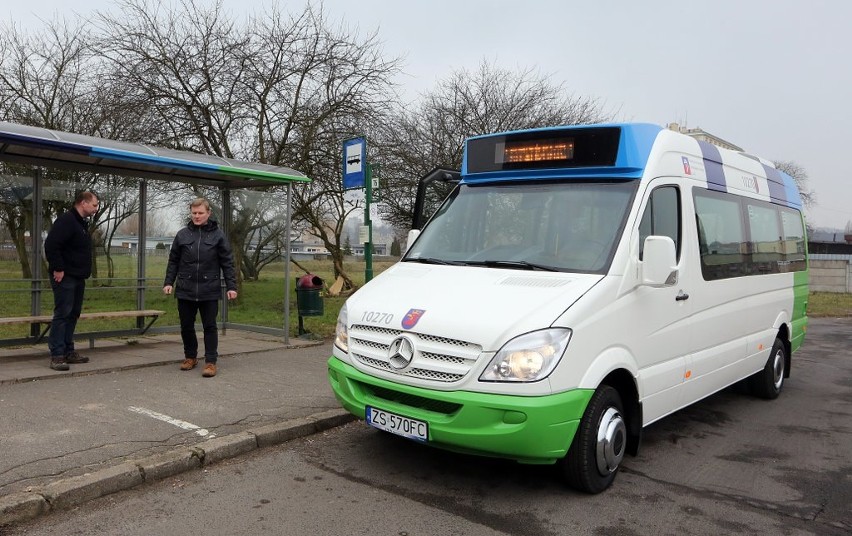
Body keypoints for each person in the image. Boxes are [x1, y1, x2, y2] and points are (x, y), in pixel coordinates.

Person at [163, 198, 238, 378]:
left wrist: (231, 286)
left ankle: (211, 362)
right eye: (194, 213)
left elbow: (227, 262)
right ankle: (190, 357)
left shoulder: (218, 235)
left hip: (209, 289)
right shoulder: (182, 235)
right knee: (186, 326)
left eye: (200, 213)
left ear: (208, 213)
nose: (197, 216)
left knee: (209, 326)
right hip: (185, 288)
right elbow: (173, 261)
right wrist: (168, 282)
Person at [44, 190, 100, 371]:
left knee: (73, 313)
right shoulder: (66, 221)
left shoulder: (80, 223)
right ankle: (57, 355)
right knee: (63, 314)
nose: (96, 209)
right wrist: (58, 268)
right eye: (94, 205)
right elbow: (51, 244)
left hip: (78, 276)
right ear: (83, 203)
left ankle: (68, 350)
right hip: (65, 276)